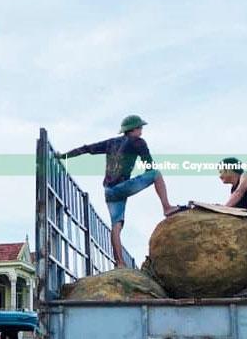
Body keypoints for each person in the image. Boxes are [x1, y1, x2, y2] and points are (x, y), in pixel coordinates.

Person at [56, 115, 178, 268]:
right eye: (140, 128)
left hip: (109, 191)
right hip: (122, 187)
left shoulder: (111, 142)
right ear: (133, 129)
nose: (141, 131)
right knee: (156, 174)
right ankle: (167, 207)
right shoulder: (138, 142)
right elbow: (150, 166)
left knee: (116, 225)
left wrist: (63, 156)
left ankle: (119, 263)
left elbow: (86, 148)